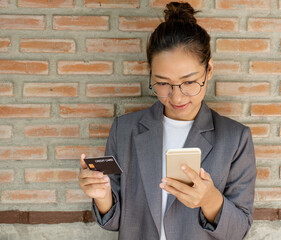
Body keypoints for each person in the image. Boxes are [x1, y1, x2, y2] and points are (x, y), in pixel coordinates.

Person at [78, 2, 256, 239]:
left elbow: (239, 230)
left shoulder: (235, 138)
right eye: (162, 83)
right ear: (150, 72)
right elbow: (115, 222)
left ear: (209, 70)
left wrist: (210, 199)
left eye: (190, 82)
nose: (177, 96)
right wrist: (101, 195)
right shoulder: (125, 130)